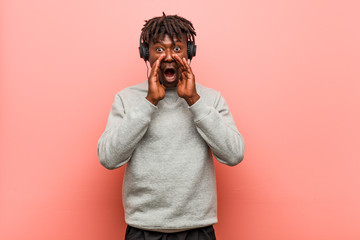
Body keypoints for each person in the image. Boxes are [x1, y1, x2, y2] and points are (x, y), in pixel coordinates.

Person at [97, 12, 245, 240]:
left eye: (177, 49)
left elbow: (234, 154)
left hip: (197, 228)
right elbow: (108, 158)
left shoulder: (210, 99)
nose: (168, 56)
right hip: (143, 228)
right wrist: (149, 102)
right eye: (159, 49)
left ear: (190, 53)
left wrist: (194, 101)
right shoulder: (126, 99)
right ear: (146, 54)